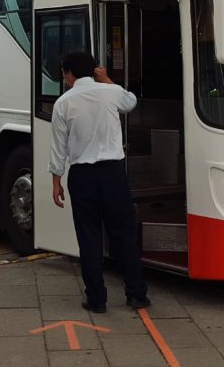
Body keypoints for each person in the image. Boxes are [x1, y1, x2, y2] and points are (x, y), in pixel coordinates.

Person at [49, 51, 149, 313]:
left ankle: (96, 299)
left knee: (89, 237)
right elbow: (131, 102)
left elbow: (58, 148)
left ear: (69, 73)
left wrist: (56, 181)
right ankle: (136, 294)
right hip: (113, 173)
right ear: (94, 71)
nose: (64, 78)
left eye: (64, 73)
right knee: (123, 233)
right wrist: (107, 80)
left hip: (82, 177)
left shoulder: (63, 103)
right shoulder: (110, 92)